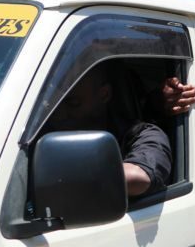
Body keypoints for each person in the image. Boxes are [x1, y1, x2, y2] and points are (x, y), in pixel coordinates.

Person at [45, 63, 172, 197]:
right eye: (54, 104)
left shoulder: (142, 134)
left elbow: (138, 176)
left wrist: (61, 180)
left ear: (104, 95)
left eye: (73, 103)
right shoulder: (36, 133)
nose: (60, 113)